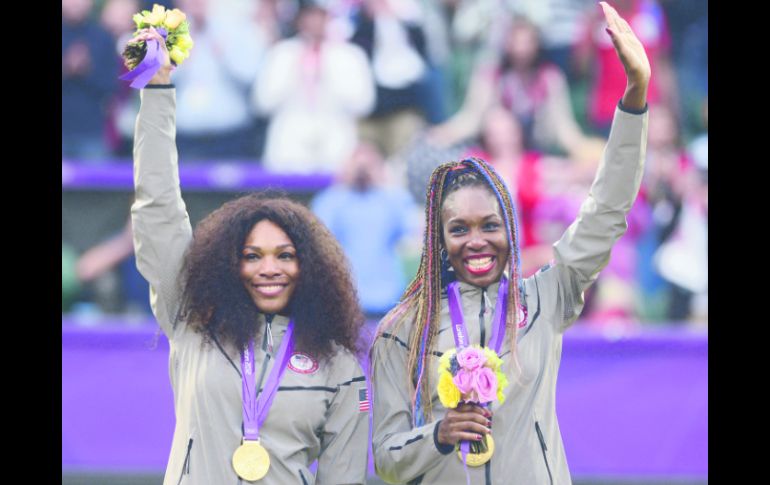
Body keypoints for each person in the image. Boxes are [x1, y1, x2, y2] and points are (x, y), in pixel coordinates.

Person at [369, 3, 650, 483]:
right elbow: (387, 458)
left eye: (490, 226)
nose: (476, 241)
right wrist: (437, 435)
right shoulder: (402, 328)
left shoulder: (545, 296)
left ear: (511, 231)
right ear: (438, 236)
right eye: (459, 229)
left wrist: (635, 97)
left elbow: (607, 209)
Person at [128, 27, 369, 484]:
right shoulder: (195, 320)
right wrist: (157, 90)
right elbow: (157, 208)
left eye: (285, 255)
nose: (269, 268)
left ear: (309, 268)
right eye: (252, 256)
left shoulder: (338, 363)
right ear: (229, 264)